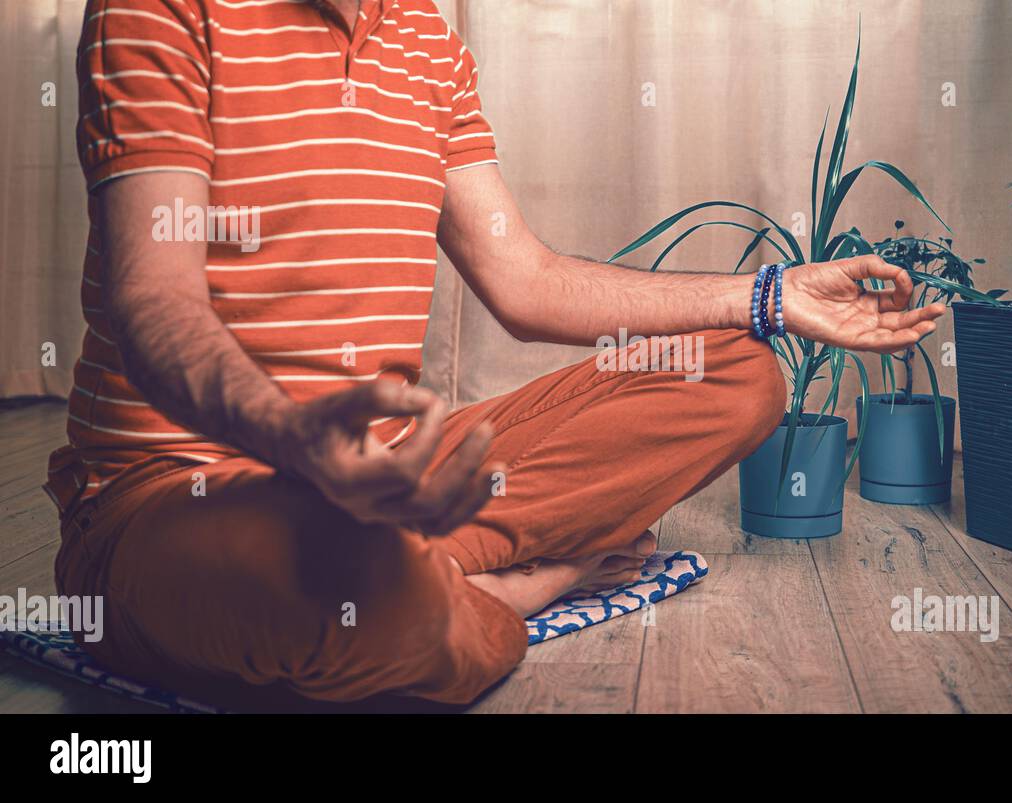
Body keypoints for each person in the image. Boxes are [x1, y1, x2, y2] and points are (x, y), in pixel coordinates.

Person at [49, 0, 944, 706]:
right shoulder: (158, 7)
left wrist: (770, 296)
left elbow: (526, 280)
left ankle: (414, 560)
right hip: (175, 492)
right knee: (353, 600)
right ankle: (524, 581)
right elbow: (153, 300)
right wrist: (296, 438)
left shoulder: (427, 45)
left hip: (394, 471)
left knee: (737, 368)